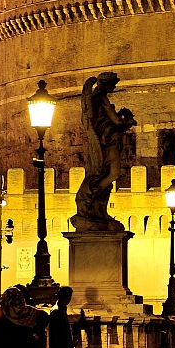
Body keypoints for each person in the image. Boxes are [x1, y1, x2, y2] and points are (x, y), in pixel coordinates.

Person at [71, 72, 135, 231]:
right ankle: (91, 195)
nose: (113, 87)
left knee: (106, 173)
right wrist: (127, 121)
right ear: (105, 84)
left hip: (104, 140)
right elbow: (115, 120)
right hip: (107, 141)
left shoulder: (93, 99)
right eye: (112, 84)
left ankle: (97, 207)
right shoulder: (101, 98)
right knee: (113, 173)